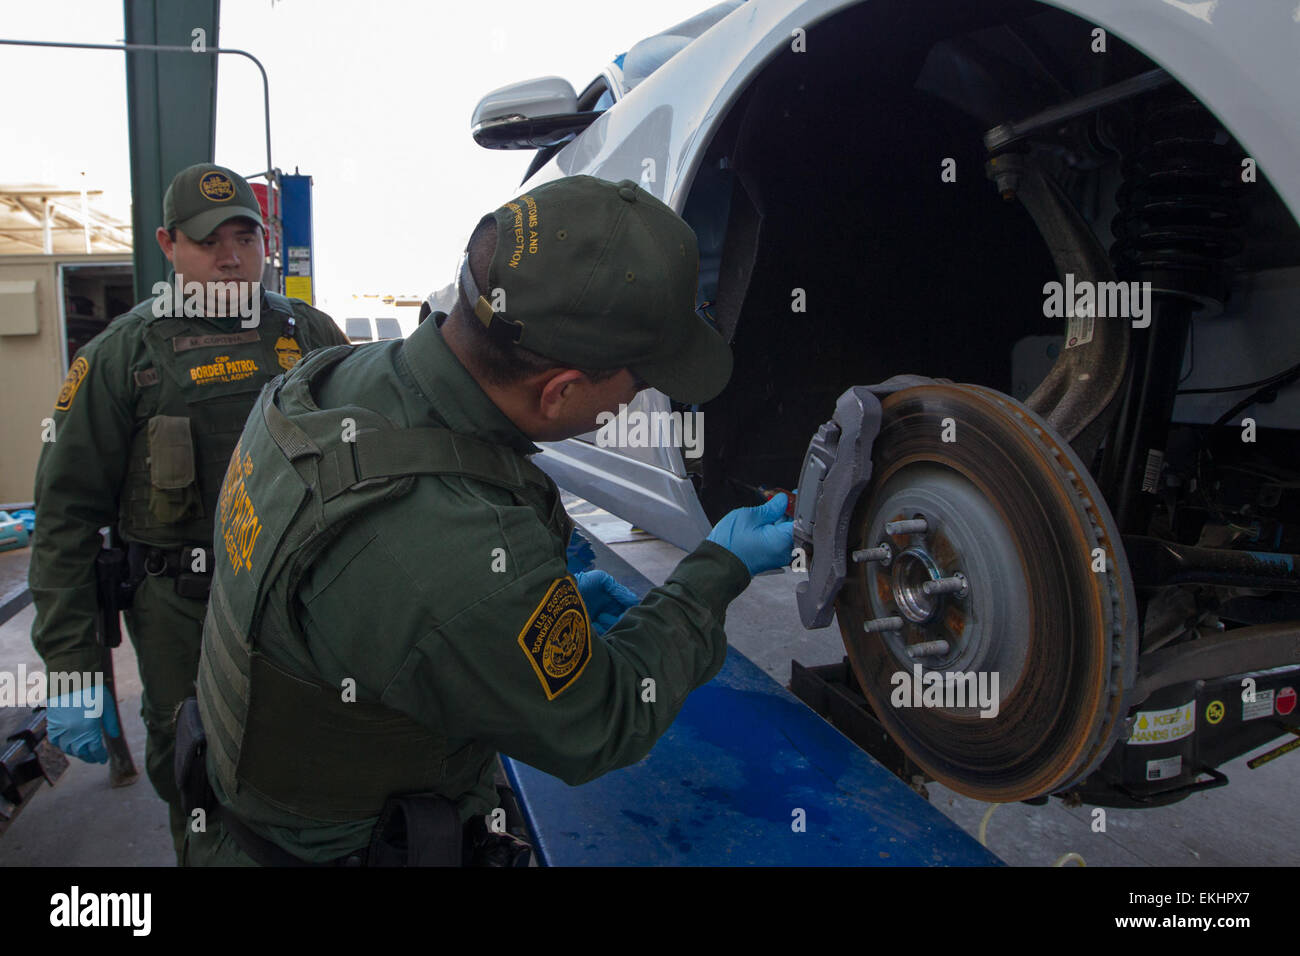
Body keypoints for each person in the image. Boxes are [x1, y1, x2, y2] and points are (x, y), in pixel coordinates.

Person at [184, 174, 794, 866]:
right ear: (561, 390)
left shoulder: (325, 379)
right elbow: (602, 721)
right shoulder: (455, 555)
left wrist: (518, 615)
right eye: (640, 385)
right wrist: (718, 570)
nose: (634, 406)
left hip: (240, 809)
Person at [29, 163, 350, 860]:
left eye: (246, 236)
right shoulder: (121, 356)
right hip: (183, 612)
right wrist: (74, 666)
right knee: (198, 776)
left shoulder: (310, 332)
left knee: (319, 766)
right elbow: (64, 516)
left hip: (304, 603)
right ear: (168, 245)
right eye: (209, 242)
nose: (232, 256)